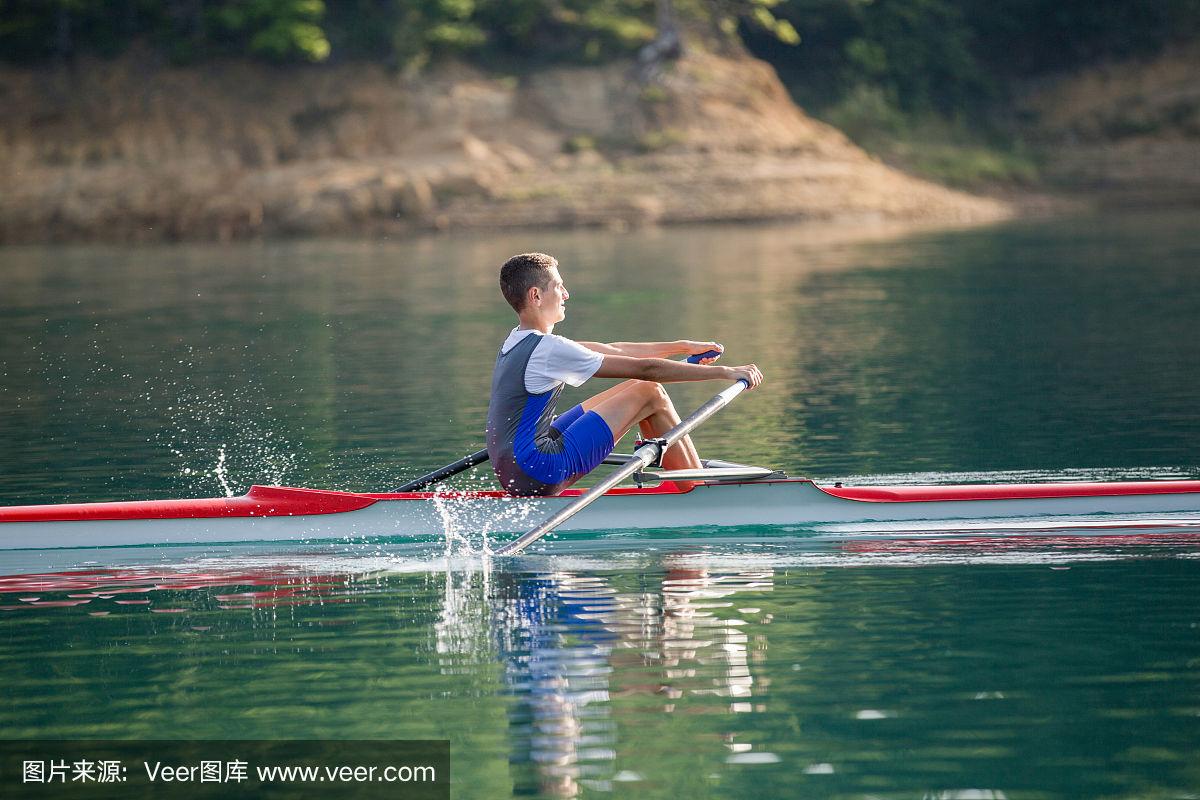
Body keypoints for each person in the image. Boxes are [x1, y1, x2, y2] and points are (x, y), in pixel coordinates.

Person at [486, 252, 763, 497]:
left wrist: (682, 347)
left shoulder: (518, 341)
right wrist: (726, 372)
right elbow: (647, 370)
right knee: (649, 390)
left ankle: (675, 462)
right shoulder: (549, 348)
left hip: (515, 470)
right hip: (541, 469)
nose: (566, 294)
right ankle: (696, 491)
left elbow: (614, 349)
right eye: (559, 287)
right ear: (536, 296)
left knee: (634, 388)